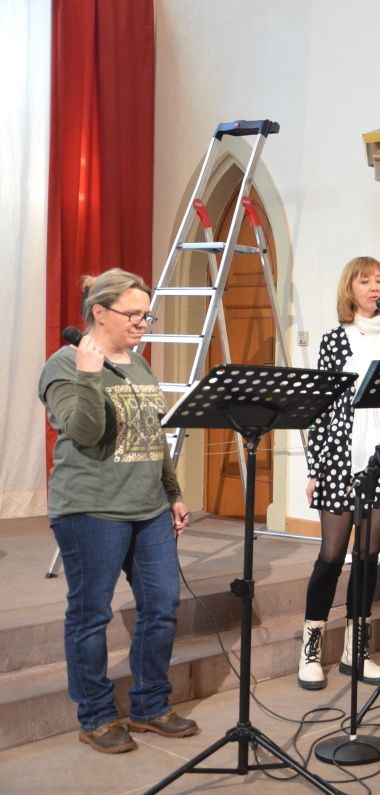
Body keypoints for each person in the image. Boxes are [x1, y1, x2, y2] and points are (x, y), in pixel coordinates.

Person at [39, 269, 197, 754]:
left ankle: (150, 706)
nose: (142, 323)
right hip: (91, 509)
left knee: (162, 605)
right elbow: (85, 433)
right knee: (91, 614)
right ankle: (96, 716)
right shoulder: (63, 365)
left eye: (146, 315)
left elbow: (153, 437)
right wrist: (89, 374)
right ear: (99, 312)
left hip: (148, 509)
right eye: (133, 314)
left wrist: (172, 491)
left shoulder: (139, 364)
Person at [299, 256, 380, 690]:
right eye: (364, 280)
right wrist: (315, 467)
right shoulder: (335, 340)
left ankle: (356, 650)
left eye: (379, 279)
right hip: (340, 458)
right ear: (350, 290)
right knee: (332, 556)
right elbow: (322, 407)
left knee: (367, 557)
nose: (373, 287)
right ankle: (311, 650)